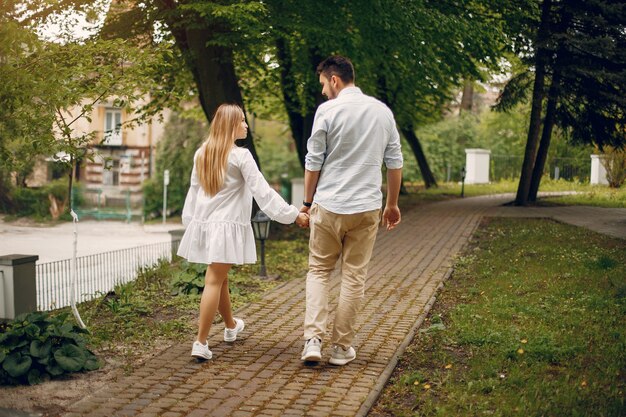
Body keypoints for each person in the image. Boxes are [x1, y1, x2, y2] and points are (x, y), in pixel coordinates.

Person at [178, 103, 309, 360]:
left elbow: (193, 193)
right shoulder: (240, 156)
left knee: (221, 278)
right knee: (214, 280)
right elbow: (263, 192)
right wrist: (293, 215)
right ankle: (200, 342)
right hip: (225, 227)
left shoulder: (201, 153)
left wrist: (190, 223)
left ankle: (230, 326)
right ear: (230, 126)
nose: (246, 125)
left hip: (206, 226)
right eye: (242, 121)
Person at [300, 56, 403, 365]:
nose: (322, 92)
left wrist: (307, 203)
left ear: (335, 80)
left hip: (329, 206)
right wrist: (392, 204)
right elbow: (395, 161)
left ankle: (313, 341)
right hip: (366, 208)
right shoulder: (382, 112)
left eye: (322, 84)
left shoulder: (327, 111)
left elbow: (313, 161)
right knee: (354, 277)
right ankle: (342, 348)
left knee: (319, 271)